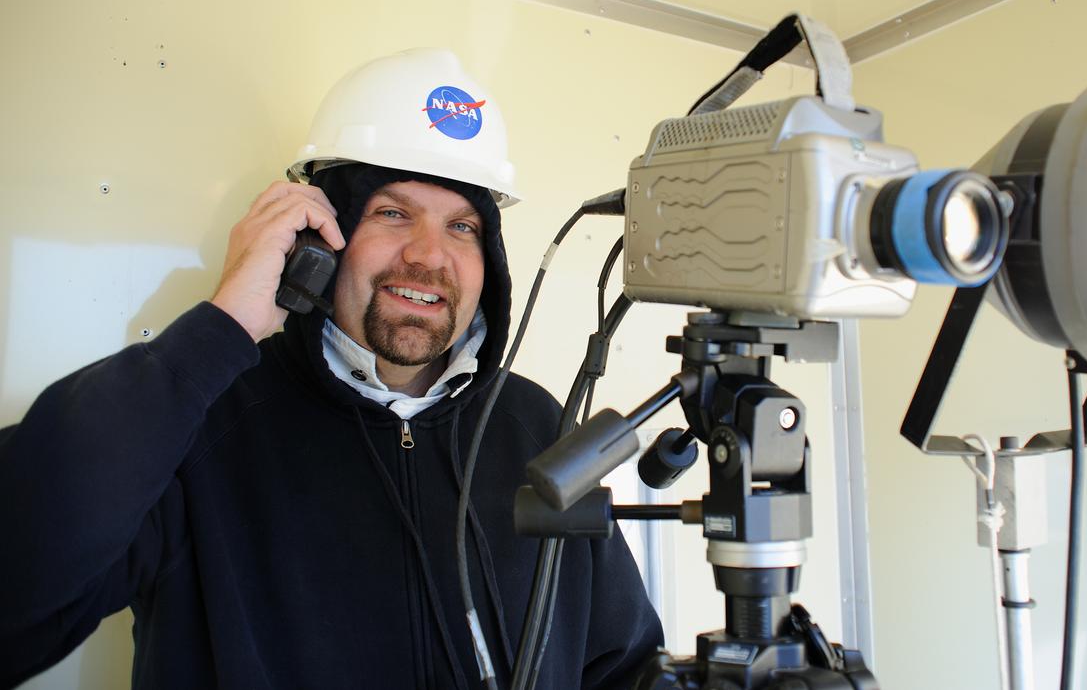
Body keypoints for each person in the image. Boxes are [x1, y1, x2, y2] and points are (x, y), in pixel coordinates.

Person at [0, 49, 663, 688]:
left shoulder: (537, 425)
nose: (429, 256)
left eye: (462, 227)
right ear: (320, 235)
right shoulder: (202, 416)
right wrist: (220, 330)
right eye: (393, 213)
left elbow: (622, 665)